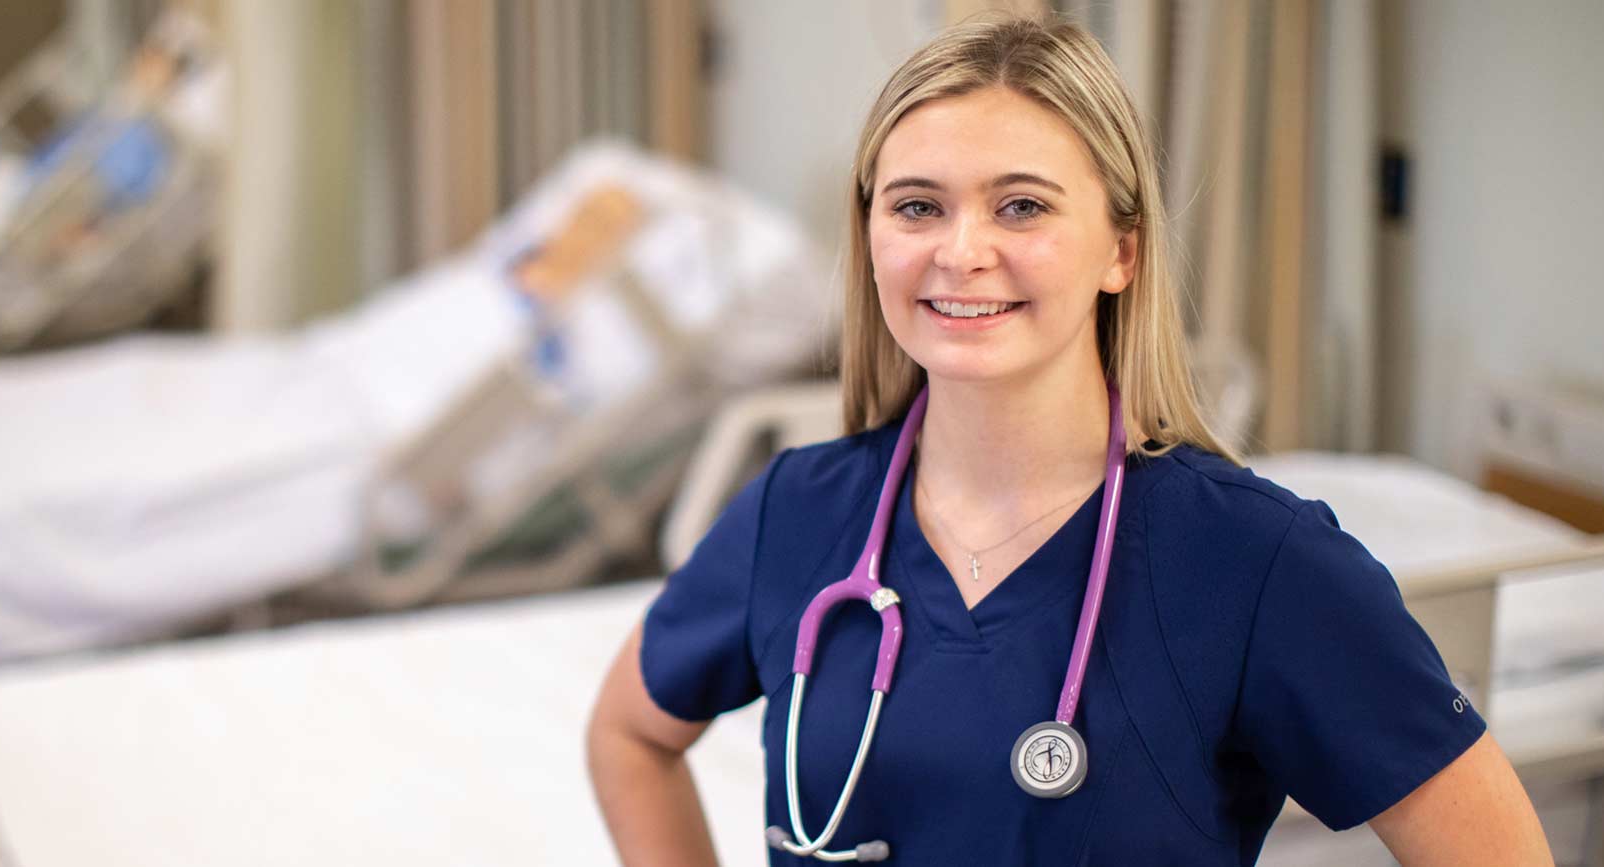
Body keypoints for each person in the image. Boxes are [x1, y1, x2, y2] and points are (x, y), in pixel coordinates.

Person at [586, 16, 1552, 866]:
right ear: (872, 231)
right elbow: (627, 733)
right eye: (917, 205)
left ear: (1121, 250)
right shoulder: (796, 511)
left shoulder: (1255, 563)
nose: (961, 251)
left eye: (1022, 205)